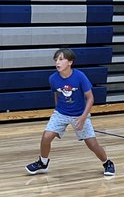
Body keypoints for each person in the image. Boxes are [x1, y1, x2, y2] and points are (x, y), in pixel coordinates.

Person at [25, 47, 115, 177]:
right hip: (61, 113)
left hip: (80, 114)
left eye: (61, 59)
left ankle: (107, 162)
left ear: (70, 62)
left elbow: (90, 98)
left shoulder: (80, 76)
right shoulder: (53, 79)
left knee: (92, 144)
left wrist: (83, 117)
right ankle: (43, 163)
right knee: (46, 137)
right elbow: (56, 94)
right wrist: (58, 111)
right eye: (56, 60)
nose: (57, 62)